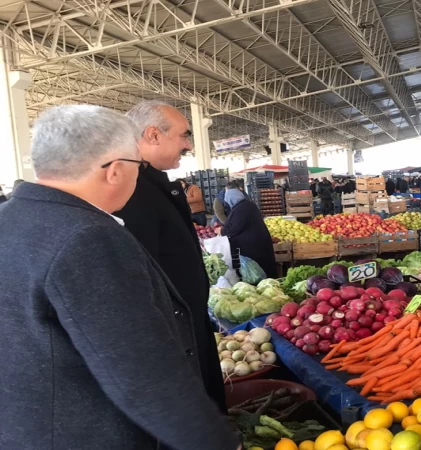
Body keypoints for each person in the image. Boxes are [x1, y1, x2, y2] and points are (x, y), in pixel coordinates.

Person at [0, 105, 238, 449]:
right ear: (114, 171)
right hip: (87, 433)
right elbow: (142, 374)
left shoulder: (9, 219)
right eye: (135, 166)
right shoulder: (88, 238)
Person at [115, 101, 227, 412]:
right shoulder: (131, 191)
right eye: (184, 135)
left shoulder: (151, 185)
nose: (189, 144)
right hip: (173, 340)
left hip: (187, 328)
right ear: (152, 135)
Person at [222, 189, 277, 278]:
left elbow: (235, 228)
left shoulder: (241, 209)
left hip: (252, 246)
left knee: (256, 270)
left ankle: (257, 282)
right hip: (258, 243)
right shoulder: (248, 205)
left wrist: (222, 231)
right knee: (264, 267)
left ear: (231, 199)